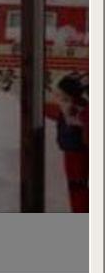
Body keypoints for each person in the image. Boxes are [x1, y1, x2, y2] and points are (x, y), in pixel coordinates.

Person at [45, 72, 88, 213]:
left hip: (77, 151)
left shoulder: (80, 111)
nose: (61, 100)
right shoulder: (74, 110)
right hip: (73, 149)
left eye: (64, 97)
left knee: (77, 186)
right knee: (77, 186)